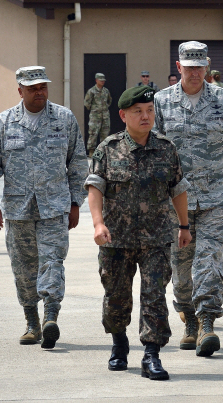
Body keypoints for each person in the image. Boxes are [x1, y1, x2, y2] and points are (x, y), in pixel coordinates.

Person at [85, 86, 192, 381]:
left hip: (156, 238)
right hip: (115, 239)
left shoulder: (166, 148)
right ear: (123, 115)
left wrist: (183, 226)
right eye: (138, 112)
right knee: (116, 297)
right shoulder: (107, 148)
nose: (146, 117)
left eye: (150, 111)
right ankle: (119, 345)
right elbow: (95, 188)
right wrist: (97, 223)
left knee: (154, 296)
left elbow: (178, 189)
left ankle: (151, 355)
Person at [154, 41, 223, 357]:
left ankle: (207, 322)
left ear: (206, 68)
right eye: (189, 67)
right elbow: (151, 151)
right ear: (179, 67)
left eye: (200, 67)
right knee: (181, 268)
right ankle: (189, 321)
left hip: (216, 198)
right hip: (174, 202)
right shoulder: (160, 102)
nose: (195, 73)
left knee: (208, 260)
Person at [0, 66, 87, 349]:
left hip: (54, 208)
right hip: (18, 209)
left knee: (52, 262)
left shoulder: (64, 119)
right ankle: (32, 322)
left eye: (42, 87)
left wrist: (75, 203)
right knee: (24, 269)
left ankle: (50, 317)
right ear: (20, 90)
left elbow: (78, 163)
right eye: (32, 88)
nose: (39, 92)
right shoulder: (6, 121)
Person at [84, 72, 112, 157]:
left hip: (105, 116)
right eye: (101, 80)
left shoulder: (106, 91)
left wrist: (104, 108)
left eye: (103, 80)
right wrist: (95, 109)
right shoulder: (91, 91)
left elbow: (109, 101)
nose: (102, 82)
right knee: (93, 133)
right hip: (95, 117)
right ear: (96, 80)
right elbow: (87, 103)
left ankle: (103, 151)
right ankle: (91, 151)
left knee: (105, 134)